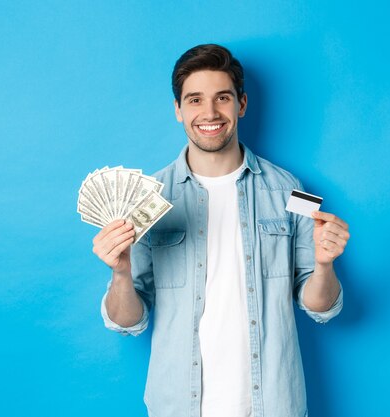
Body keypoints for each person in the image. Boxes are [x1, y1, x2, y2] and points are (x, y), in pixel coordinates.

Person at [92, 44, 350, 417]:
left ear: (241, 105)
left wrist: (325, 266)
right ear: (178, 110)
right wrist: (120, 272)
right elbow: (127, 321)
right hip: (178, 406)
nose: (209, 112)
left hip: (274, 405)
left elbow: (321, 308)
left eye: (222, 98)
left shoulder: (290, 189)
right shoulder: (147, 198)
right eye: (195, 100)